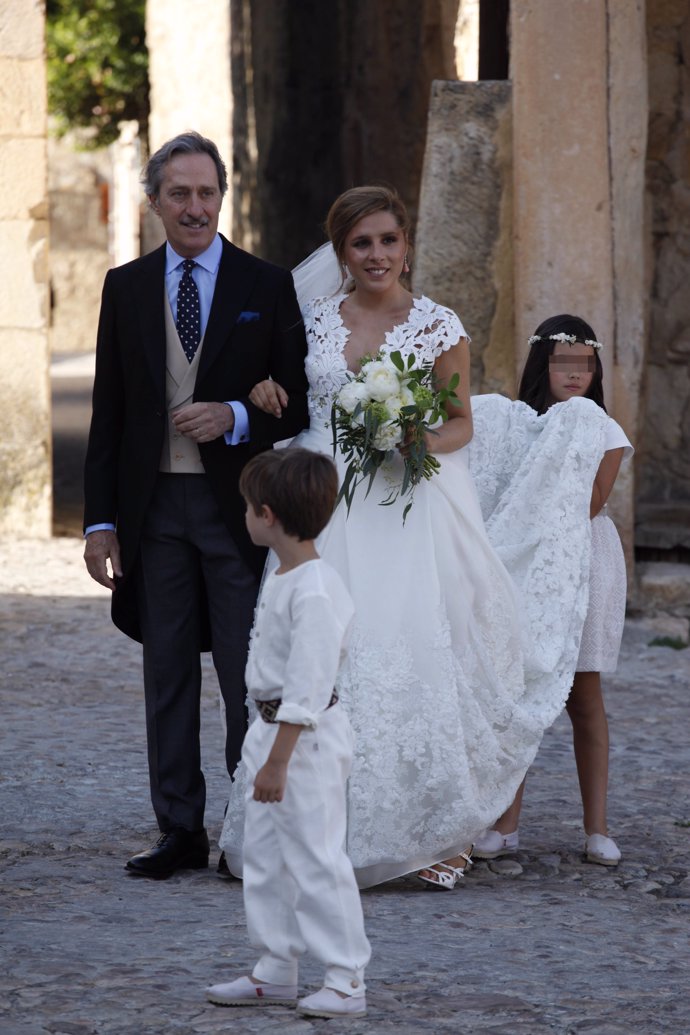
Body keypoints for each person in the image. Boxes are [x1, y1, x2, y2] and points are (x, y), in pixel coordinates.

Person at [220, 185, 578, 890]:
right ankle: (301, 820)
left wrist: (411, 434)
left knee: (404, 648)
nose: (377, 254)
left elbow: (461, 425)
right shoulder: (314, 318)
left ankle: (427, 829)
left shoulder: (439, 325)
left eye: (388, 239)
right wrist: (265, 392)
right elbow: (286, 388)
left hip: (407, 504)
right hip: (321, 503)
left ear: (406, 243)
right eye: (362, 243)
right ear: (342, 253)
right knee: (325, 650)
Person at [83, 131, 309, 879]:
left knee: (248, 674)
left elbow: (297, 400)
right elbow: (109, 411)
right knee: (169, 674)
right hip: (153, 514)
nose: (195, 207)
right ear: (154, 203)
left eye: (207, 192)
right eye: (179, 194)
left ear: (222, 196)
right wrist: (101, 519)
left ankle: (249, 827)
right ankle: (177, 828)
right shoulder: (126, 286)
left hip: (240, 510)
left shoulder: (265, 284)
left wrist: (234, 417)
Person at [205, 448, 370, 1019]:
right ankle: (276, 966)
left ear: (268, 515)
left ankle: (346, 978)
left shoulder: (316, 590)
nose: (245, 515)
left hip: (305, 742)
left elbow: (308, 684)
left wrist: (278, 761)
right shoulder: (285, 573)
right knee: (267, 854)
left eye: (249, 507)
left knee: (317, 857)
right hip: (269, 730)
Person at [473, 315, 633, 866]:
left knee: (583, 698)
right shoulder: (520, 425)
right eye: (563, 361)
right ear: (542, 363)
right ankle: (506, 823)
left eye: (584, 364)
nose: (574, 374)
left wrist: (569, 434)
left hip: (583, 559)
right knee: (518, 691)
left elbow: (586, 503)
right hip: (527, 562)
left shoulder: (602, 430)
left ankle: (597, 827)